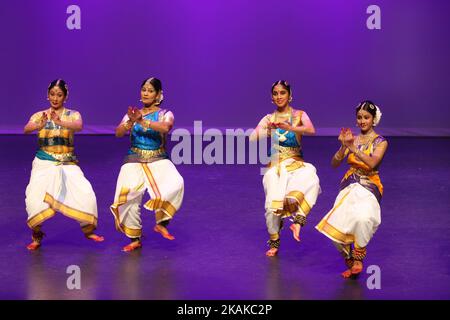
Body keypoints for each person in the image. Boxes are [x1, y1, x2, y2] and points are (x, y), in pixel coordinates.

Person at [24, 79, 104, 250]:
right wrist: (39, 124)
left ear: (65, 97)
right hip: (44, 162)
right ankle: (37, 235)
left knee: (86, 194)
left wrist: (59, 122)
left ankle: (88, 230)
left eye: (59, 95)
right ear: (47, 95)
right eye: (52, 94)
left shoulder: (73, 114)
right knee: (34, 200)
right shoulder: (40, 115)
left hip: (67, 162)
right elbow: (26, 129)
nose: (55, 98)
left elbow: (79, 126)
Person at [111, 77, 184, 252]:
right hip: (134, 158)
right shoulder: (132, 113)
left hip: (158, 158)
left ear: (158, 94)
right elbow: (118, 133)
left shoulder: (165, 113)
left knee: (176, 184)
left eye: (150, 90)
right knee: (128, 195)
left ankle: (162, 223)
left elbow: (166, 128)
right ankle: (135, 238)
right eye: (144, 89)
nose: (146, 93)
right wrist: (130, 121)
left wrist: (142, 121)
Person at [316, 100, 388, 278]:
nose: (363, 121)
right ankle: (349, 260)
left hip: (370, 185)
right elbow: (334, 163)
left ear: (373, 119)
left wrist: (352, 147)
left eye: (366, 117)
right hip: (349, 184)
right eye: (360, 117)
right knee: (336, 224)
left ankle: (358, 258)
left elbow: (372, 163)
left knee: (363, 218)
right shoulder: (351, 140)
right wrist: (343, 147)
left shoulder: (381, 141)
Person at [250, 80, 321, 257]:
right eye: (275, 93)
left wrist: (290, 127)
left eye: (283, 93)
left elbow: (312, 130)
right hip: (275, 166)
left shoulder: (299, 115)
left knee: (311, 178)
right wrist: (267, 131)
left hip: (296, 164)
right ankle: (274, 241)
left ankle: (298, 221)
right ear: (271, 97)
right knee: (271, 205)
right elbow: (252, 138)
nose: (279, 96)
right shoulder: (268, 118)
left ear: (290, 95)